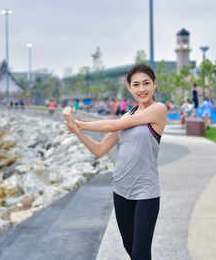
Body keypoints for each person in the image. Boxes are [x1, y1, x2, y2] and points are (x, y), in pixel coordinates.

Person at [63, 64, 167, 259]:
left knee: (140, 253)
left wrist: (77, 123)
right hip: (120, 190)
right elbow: (99, 150)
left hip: (146, 192)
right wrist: (76, 131)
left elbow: (111, 124)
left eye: (146, 83)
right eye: (136, 84)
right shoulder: (127, 116)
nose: (142, 89)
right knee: (130, 248)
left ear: (154, 84)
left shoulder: (158, 109)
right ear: (129, 88)